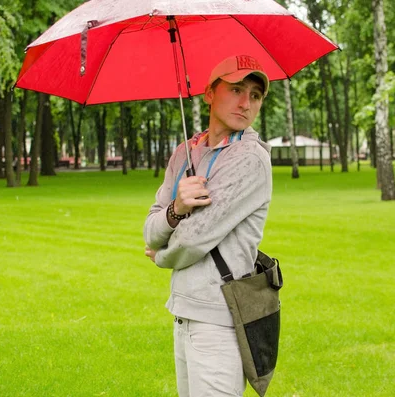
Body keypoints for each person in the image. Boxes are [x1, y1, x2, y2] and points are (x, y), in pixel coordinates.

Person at [143, 55, 272, 397]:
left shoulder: (249, 158)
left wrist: (160, 256)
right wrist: (176, 208)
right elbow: (150, 227)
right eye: (236, 89)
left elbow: (194, 238)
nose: (246, 103)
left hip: (221, 317)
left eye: (256, 95)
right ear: (209, 93)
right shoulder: (184, 153)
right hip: (183, 310)